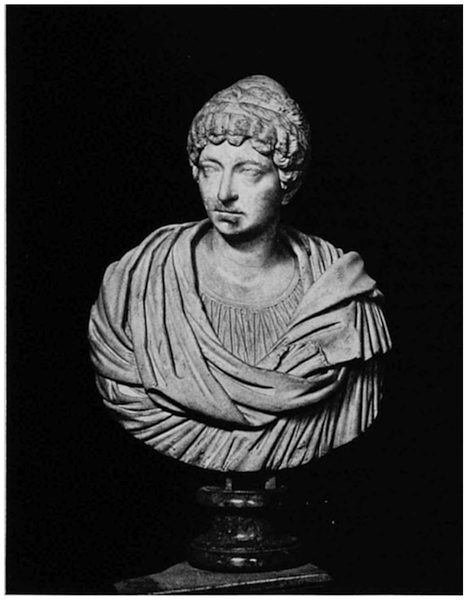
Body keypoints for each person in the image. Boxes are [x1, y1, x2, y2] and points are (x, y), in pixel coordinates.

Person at [89, 75, 391, 472]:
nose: (224, 192)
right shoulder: (139, 282)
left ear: (287, 182)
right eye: (211, 168)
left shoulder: (339, 294)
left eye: (248, 171)